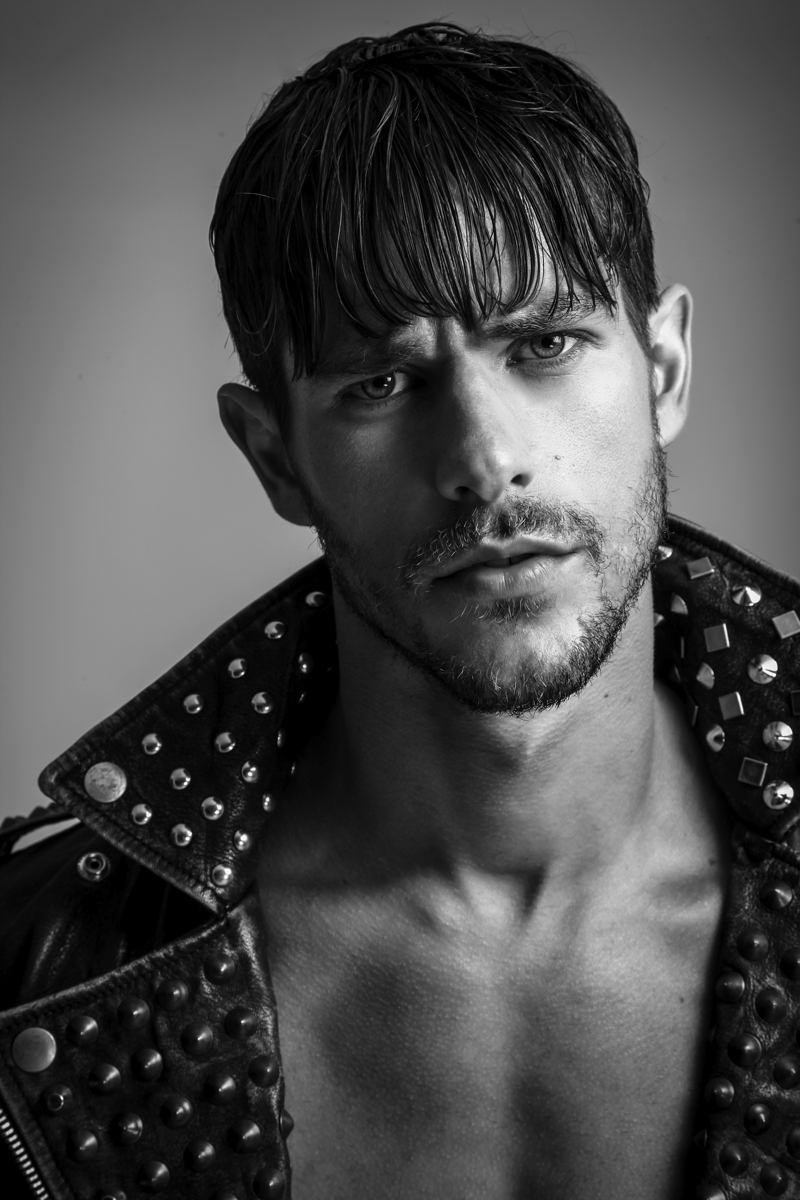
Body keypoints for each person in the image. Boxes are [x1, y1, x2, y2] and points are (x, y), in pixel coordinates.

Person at [0, 20, 798, 1200]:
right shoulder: (41, 967)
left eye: (545, 342)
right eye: (380, 382)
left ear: (663, 369)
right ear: (275, 457)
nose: (482, 461)